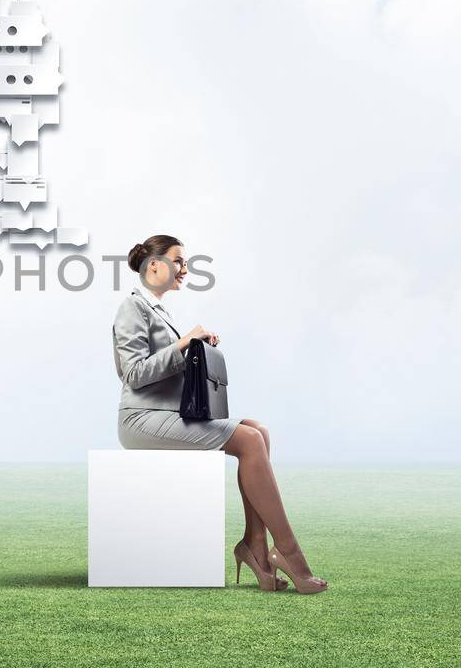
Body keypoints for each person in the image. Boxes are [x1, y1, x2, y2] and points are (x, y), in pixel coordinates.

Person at [112, 234, 328, 594]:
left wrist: (195, 347)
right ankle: (288, 552)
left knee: (258, 430)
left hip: (165, 413)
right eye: (179, 261)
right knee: (248, 440)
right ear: (155, 265)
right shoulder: (132, 308)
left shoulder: (160, 310)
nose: (185, 269)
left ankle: (255, 547)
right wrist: (183, 344)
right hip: (141, 419)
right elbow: (133, 374)